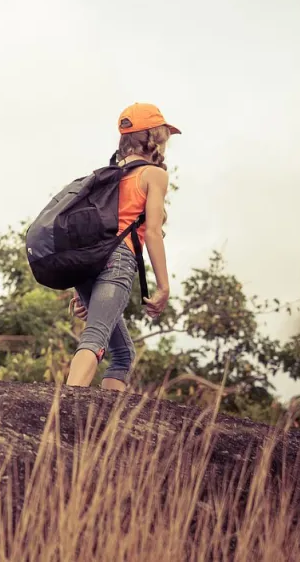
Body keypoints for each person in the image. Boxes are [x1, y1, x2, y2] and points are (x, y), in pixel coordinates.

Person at [65, 103, 176, 389]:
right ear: (155, 138)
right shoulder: (153, 175)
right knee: (96, 336)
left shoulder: (105, 175)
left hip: (86, 263)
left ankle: (108, 418)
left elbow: (88, 228)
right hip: (117, 261)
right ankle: (64, 405)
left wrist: (81, 292)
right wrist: (163, 287)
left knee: (123, 355)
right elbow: (152, 232)